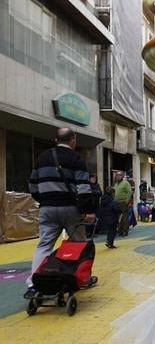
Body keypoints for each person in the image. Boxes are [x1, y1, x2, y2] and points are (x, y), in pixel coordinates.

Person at [25, 127, 96, 298]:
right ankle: (77, 278)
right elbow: (83, 188)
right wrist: (88, 211)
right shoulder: (76, 158)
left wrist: (45, 200)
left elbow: (33, 185)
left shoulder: (42, 158)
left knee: (44, 245)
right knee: (78, 244)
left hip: (47, 209)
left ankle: (34, 283)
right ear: (73, 140)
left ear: (56, 141)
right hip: (70, 208)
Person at [113, 171, 133, 237]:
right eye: (117, 175)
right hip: (117, 203)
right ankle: (120, 230)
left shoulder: (125, 183)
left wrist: (127, 201)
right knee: (118, 218)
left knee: (124, 218)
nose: (118, 177)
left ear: (122, 176)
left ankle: (125, 231)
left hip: (123, 202)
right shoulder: (116, 184)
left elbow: (129, 192)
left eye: (120, 175)